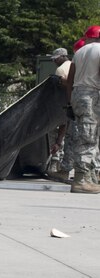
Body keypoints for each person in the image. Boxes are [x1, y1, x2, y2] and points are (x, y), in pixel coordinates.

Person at [64, 25, 100, 194]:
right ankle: (81, 179)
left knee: (87, 134)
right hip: (92, 94)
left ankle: (90, 176)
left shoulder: (79, 52)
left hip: (77, 94)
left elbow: (70, 79)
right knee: (88, 137)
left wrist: (71, 101)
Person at [47, 48, 74, 184]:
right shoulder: (75, 65)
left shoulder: (61, 70)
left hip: (63, 106)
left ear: (63, 56)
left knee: (57, 133)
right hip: (75, 106)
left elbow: (61, 91)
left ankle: (56, 163)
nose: (54, 61)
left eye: (56, 58)